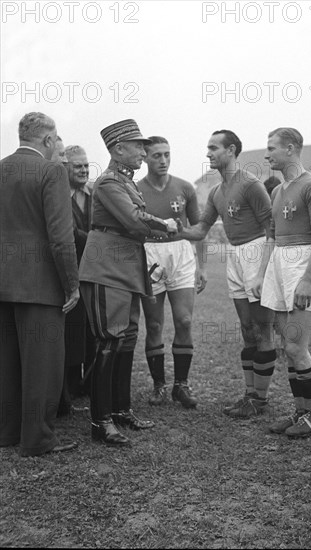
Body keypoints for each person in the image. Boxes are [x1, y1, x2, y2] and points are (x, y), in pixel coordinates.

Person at [79, 119, 174, 446]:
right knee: (108, 342)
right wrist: (167, 225)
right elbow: (134, 221)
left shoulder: (124, 182)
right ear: (118, 149)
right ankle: (100, 421)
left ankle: (120, 410)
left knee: (124, 340)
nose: (143, 152)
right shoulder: (108, 182)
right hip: (106, 268)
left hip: (123, 267)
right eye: (138, 146)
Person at [175, 130, 276, 419]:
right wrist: (171, 229)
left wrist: (262, 269)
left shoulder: (251, 184)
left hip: (256, 252)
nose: (208, 153)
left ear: (231, 150)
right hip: (234, 255)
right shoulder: (217, 192)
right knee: (246, 328)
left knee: (262, 329)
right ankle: (250, 394)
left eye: (213, 148)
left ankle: (261, 397)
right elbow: (200, 230)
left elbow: (271, 229)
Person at [0, 112, 79, 456]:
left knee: (6, 362)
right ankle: (38, 439)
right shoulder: (51, 171)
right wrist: (71, 284)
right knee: (42, 367)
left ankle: (7, 432)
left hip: (4, 283)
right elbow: (61, 237)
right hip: (40, 285)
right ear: (48, 141)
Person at [252, 127, 311, 438]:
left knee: (298, 346)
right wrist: (261, 274)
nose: (267, 153)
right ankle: (300, 411)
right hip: (280, 264)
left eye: (272, 148)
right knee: (288, 346)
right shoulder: (277, 191)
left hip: (302, 264)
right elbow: (271, 237)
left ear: (292, 148)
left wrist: (308, 279)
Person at [138, 136, 207, 407]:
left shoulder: (185, 187)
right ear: (145, 158)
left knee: (185, 321)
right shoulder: (135, 189)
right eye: (156, 155)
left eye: (167, 154)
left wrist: (201, 266)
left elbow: (199, 229)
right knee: (154, 324)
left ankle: (182, 384)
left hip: (181, 252)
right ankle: (159, 385)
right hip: (150, 255)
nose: (163, 160)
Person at [57, 145, 97, 417]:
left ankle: (91, 382)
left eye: (85, 166)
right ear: (65, 168)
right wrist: (100, 243)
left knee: (94, 328)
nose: (83, 170)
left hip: (95, 271)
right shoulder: (58, 196)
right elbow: (67, 233)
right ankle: (70, 385)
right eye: (77, 166)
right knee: (72, 329)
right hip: (71, 271)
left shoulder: (95, 195)